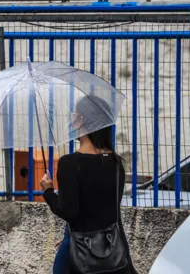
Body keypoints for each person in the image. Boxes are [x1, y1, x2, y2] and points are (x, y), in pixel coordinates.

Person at [40, 95, 137, 274]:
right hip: (113, 253)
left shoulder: (70, 163)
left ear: (81, 120)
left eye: (74, 115)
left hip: (82, 256)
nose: (72, 119)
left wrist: (48, 191)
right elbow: (107, 212)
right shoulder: (115, 163)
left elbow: (68, 211)